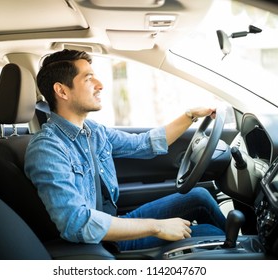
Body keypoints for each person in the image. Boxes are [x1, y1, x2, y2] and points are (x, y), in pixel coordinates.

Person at [24, 49, 226, 251]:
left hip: (113, 221)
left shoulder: (93, 131)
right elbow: (77, 223)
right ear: (62, 91)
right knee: (213, 234)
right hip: (101, 241)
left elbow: (144, 144)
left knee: (199, 196)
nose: (100, 85)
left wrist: (191, 115)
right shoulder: (47, 148)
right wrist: (156, 227)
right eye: (88, 79)